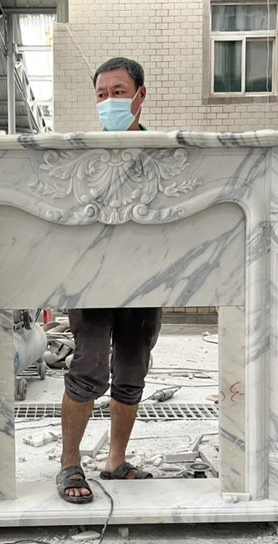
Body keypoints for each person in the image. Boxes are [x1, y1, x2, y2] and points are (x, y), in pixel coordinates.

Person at [57, 57, 162, 504]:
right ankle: (69, 463)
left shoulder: (162, 154)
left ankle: (115, 461)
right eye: (102, 95)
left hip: (144, 277)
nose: (109, 101)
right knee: (89, 368)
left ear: (140, 95)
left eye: (119, 92)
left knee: (132, 370)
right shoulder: (83, 156)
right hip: (92, 277)